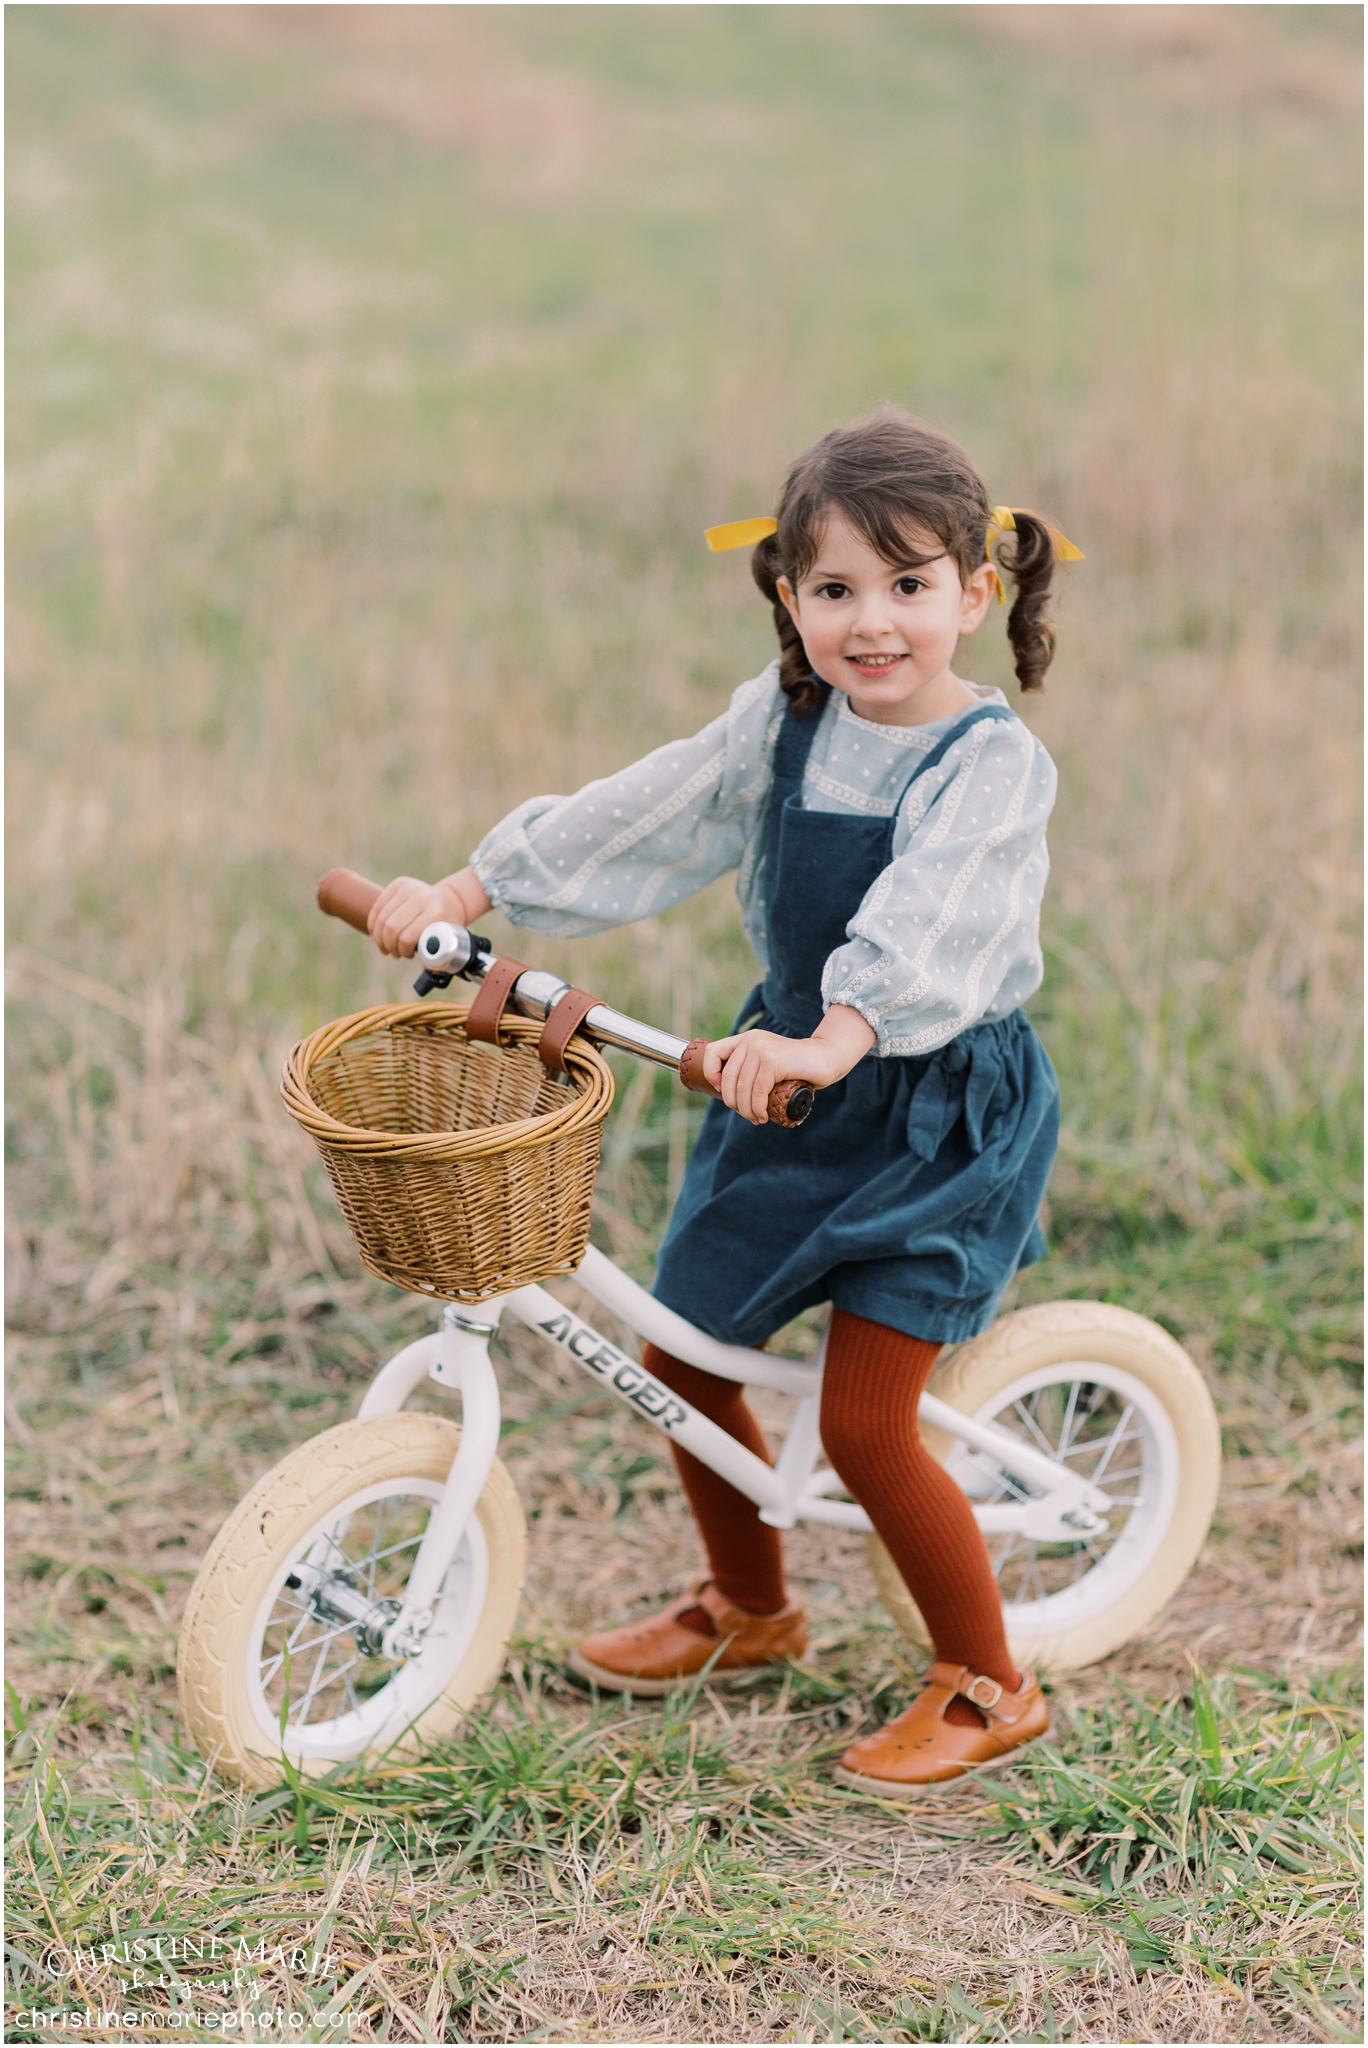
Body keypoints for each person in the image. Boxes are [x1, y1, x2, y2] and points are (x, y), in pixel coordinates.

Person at [367, 406, 1079, 1792]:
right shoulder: (787, 718)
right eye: (833, 590)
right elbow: (649, 810)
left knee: (872, 1426)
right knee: (686, 1350)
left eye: (909, 586)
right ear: (787, 596)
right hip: (788, 1090)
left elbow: (936, 916)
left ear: (975, 597)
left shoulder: (990, 763)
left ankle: (992, 1680)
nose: (872, 623)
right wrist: (471, 889)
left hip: (930, 1108)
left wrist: (838, 1034)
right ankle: (751, 1606)